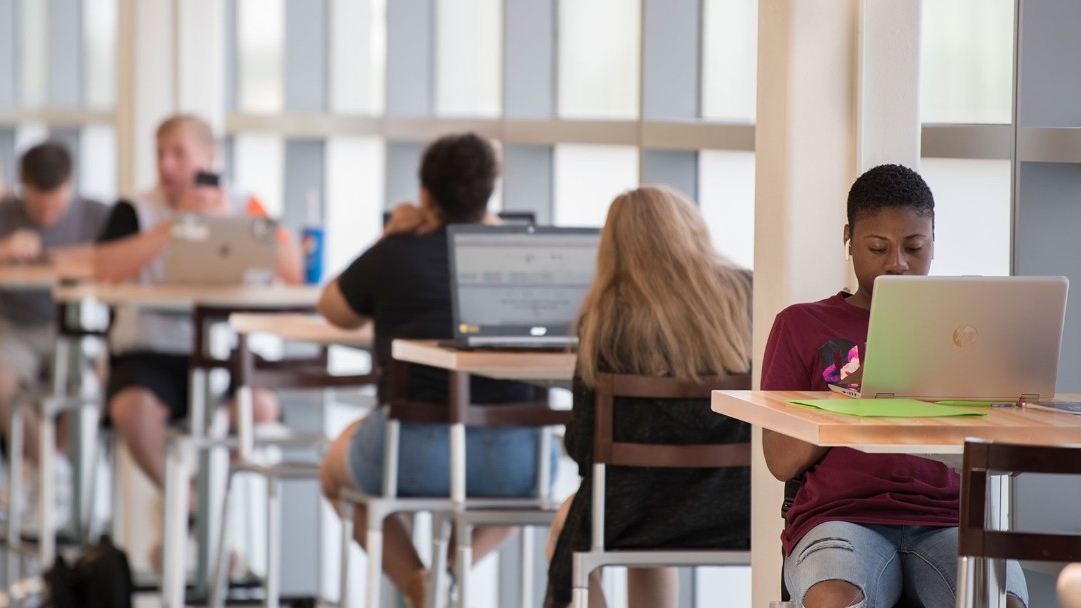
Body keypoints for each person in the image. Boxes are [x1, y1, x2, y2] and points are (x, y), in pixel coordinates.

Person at [760, 164, 1028, 608]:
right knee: (833, 599)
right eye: (877, 247)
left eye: (914, 246)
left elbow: (1004, 452)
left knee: (1001, 602)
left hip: (947, 518)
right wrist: (846, 397)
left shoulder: (965, 329)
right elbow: (780, 460)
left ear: (934, 241)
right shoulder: (801, 325)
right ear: (849, 238)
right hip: (841, 518)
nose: (897, 263)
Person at [317, 132, 551, 607]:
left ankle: (420, 585)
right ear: (490, 191)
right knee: (532, 491)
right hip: (514, 459)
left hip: (411, 453)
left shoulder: (398, 251)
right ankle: (449, 574)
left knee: (333, 471)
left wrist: (387, 237)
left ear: (425, 195)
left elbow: (332, 309)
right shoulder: (526, 255)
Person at [542, 185, 753, 608]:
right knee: (644, 513)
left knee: (568, 526)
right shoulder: (747, 293)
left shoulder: (606, 317)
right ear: (692, 230)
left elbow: (585, 445)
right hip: (742, 510)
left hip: (634, 512)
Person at [93, 114, 302, 494]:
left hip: (225, 350)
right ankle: (184, 505)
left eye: (179, 153)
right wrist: (175, 224)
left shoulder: (242, 202)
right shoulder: (135, 209)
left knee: (260, 409)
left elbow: (293, 270)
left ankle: (213, 502)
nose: (166, 165)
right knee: (132, 413)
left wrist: (231, 223)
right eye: (160, 154)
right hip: (151, 351)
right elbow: (104, 267)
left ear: (209, 159)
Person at [0, 141, 109, 521]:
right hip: (14, 328)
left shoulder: (96, 215)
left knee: (91, 378)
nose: (48, 215)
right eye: (39, 206)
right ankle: (44, 465)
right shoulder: (5, 214)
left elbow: (125, 259)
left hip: (73, 328)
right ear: (21, 185)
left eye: (56, 206)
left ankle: (55, 470)